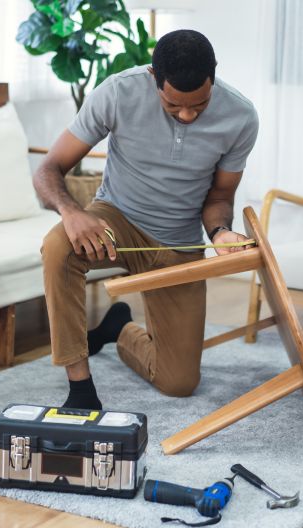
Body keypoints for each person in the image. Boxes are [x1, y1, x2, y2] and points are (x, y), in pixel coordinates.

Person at [35, 29, 259, 410]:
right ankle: (80, 387)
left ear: (214, 74)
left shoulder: (241, 117)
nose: (187, 115)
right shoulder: (117, 92)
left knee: (179, 382)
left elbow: (220, 197)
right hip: (117, 220)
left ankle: (119, 329)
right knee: (58, 247)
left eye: (199, 105)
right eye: (173, 105)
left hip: (179, 240)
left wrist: (220, 233)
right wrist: (72, 213)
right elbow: (48, 168)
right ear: (154, 76)